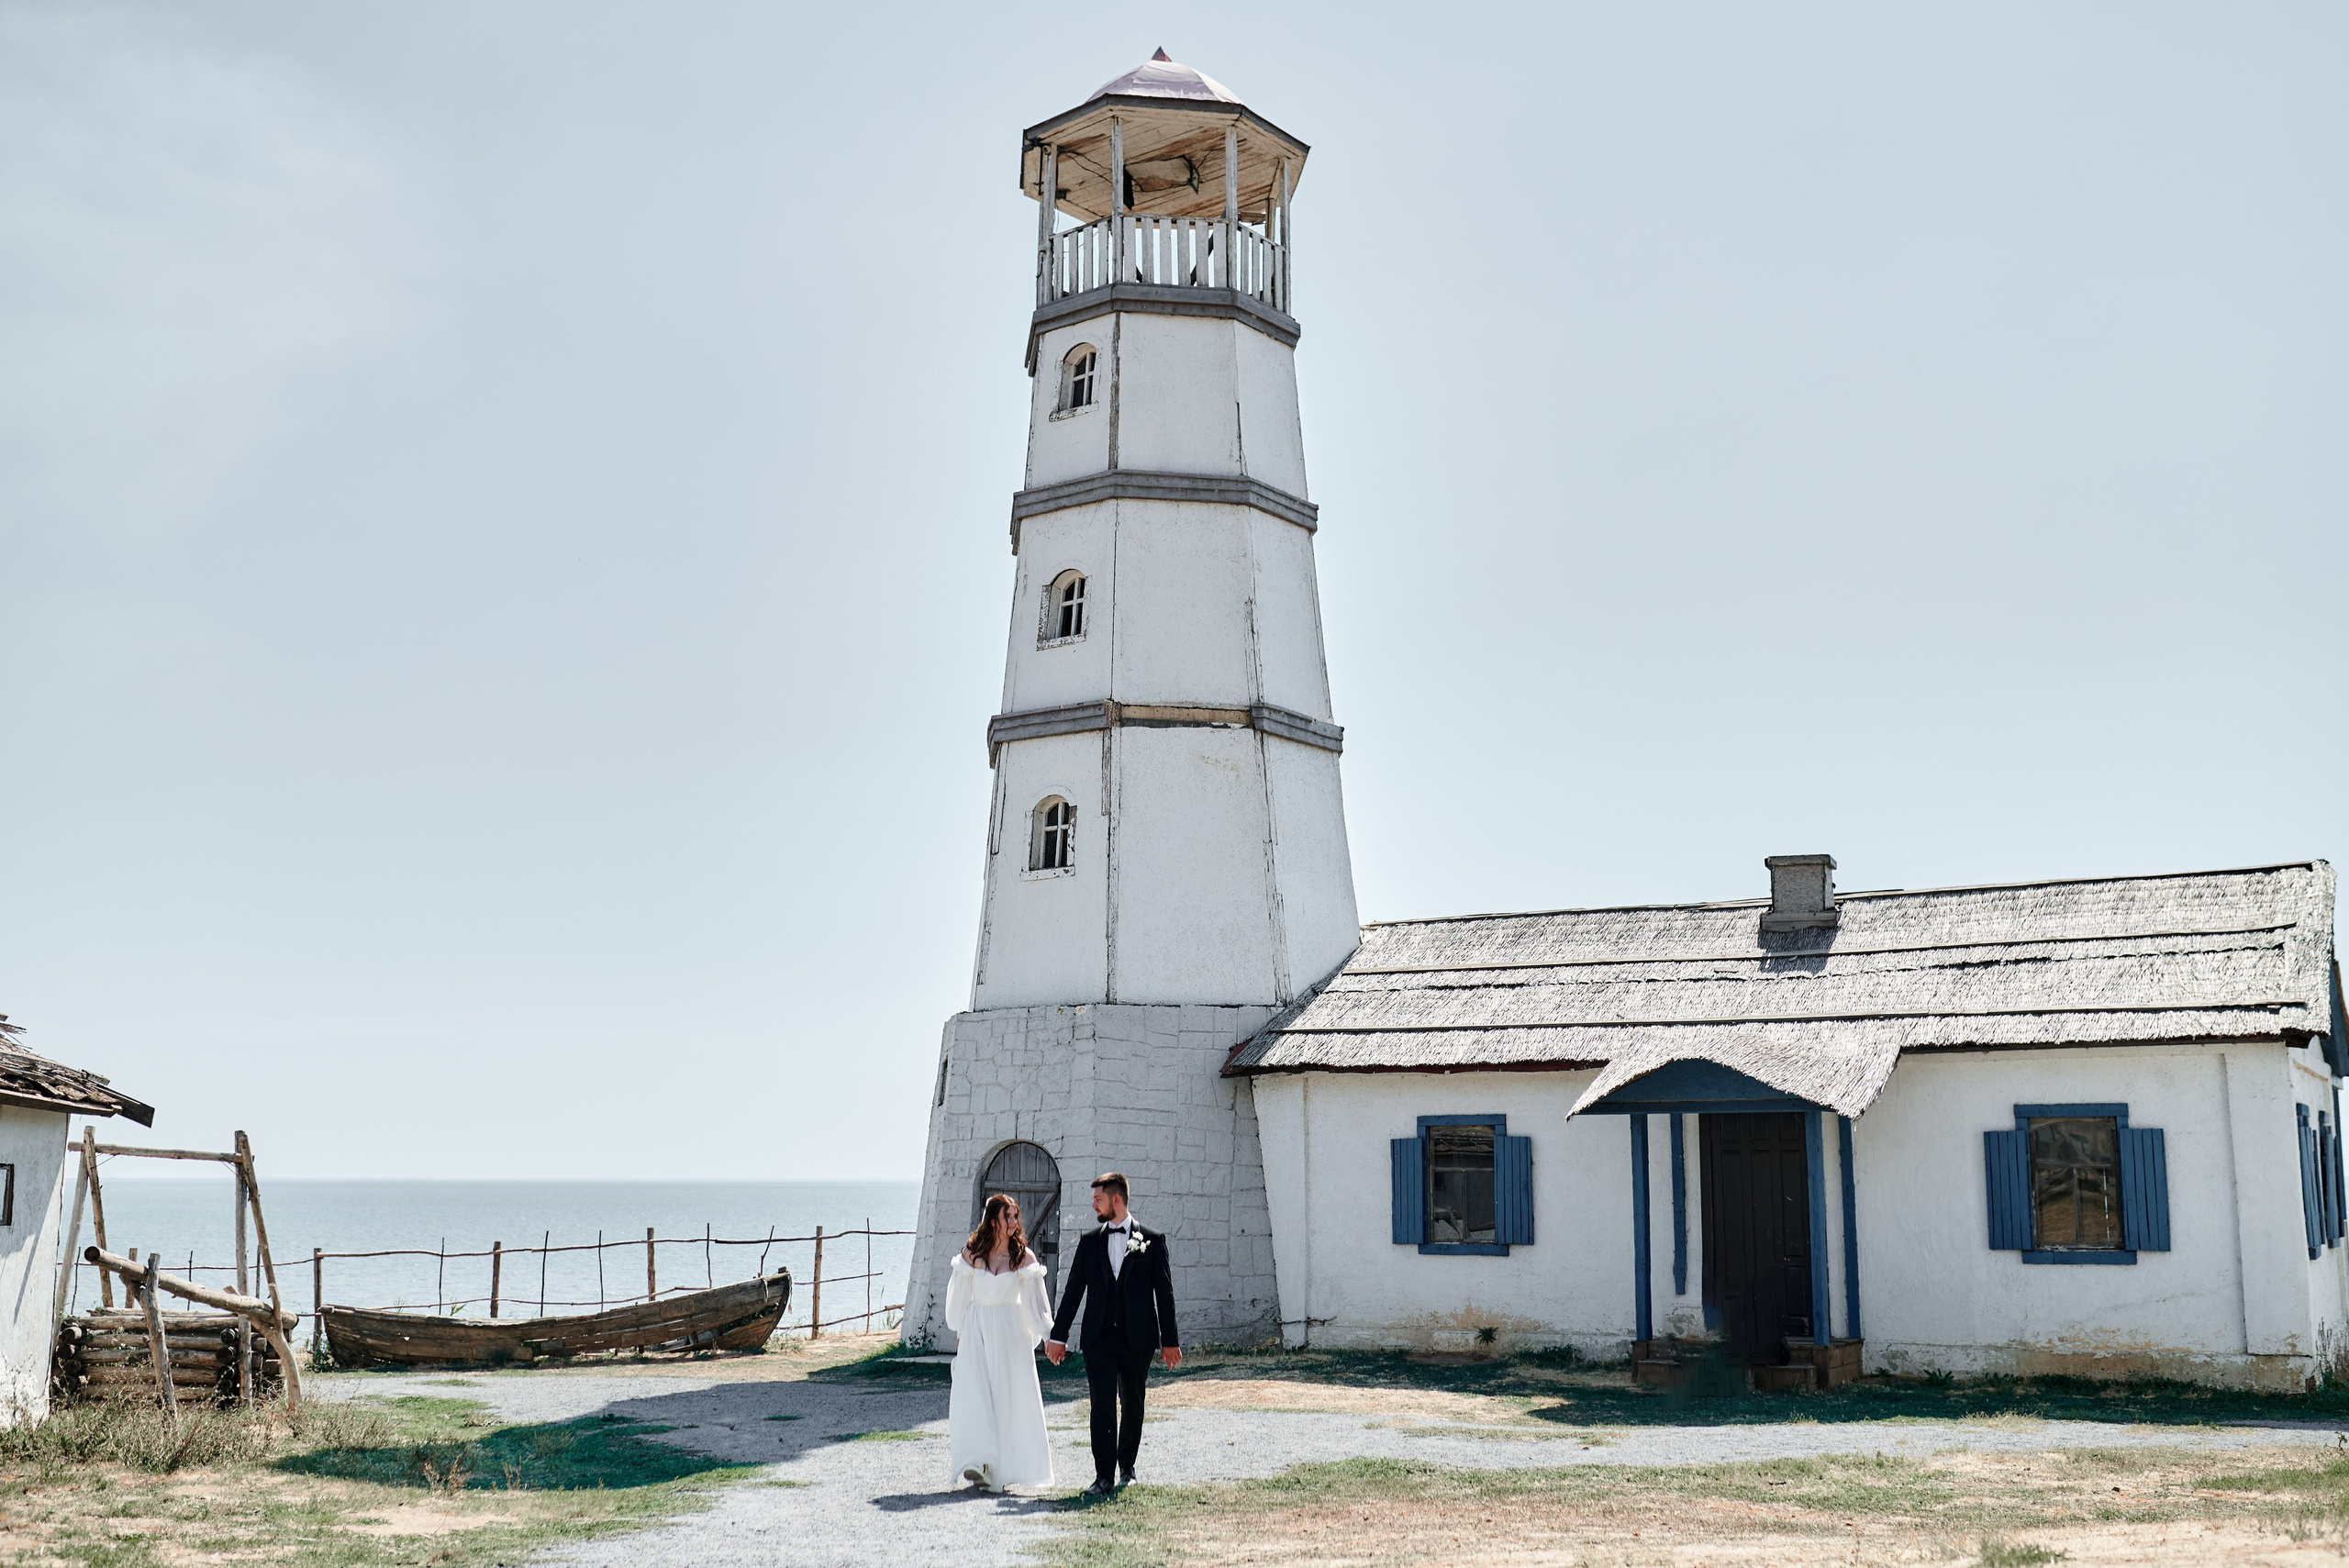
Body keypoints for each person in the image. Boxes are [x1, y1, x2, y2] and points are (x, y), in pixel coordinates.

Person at [1044, 1173, 1180, 1495]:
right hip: (1099, 1339)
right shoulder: (1089, 1241)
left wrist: (1169, 1341)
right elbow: (1074, 1290)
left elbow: (1165, 1293)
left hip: (1138, 1339)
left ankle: (1127, 1467)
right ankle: (1103, 1475)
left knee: (1133, 1403)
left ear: (1115, 1200)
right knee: (1101, 1406)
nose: (1093, 1205)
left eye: (1098, 1200)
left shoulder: (1152, 1240)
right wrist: (1057, 1336)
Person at [944, 1193, 1054, 1492]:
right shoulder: (972, 1255)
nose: (1014, 1222)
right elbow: (960, 1299)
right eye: (1008, 1216)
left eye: (1015, 1216)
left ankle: (1005, 1468)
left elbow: (1036, 1304)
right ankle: (980, 1463)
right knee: (977, 1396)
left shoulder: (1023, 1257)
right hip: (976, 1330)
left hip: (1010, 1332)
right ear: (993, 1220)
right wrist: (960, 1334)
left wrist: (1046, 1335)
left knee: (1008, 1398)